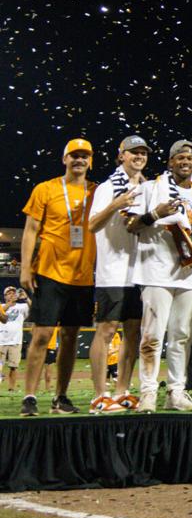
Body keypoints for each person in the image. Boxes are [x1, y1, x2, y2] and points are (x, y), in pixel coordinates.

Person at [18, 138, 98, 416]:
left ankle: (60, 397)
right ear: (64, 159)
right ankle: (29, 396)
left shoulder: (97, 192)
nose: (79, 160)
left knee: (70, 337)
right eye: (74, 155)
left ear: (90, 161)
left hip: (83, 276)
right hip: (50, 272)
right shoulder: (46, 189)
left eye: (84, 156)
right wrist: (25, 267)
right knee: (41, 335)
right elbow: (30, 230)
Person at [128, 140, 192, 412]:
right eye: (179, 158)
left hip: (186, 274)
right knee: (152, 336)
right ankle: (148, 392)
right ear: (170, 162)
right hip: (155, 272)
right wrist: (154, 214)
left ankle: (176, 391)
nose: (185, 162)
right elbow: (132, 226)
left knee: (181, 336)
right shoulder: (150, 188)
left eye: (189, 158)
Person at [86, 135, 150, 413]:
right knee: (106, 330)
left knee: (133, 332)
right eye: (133, 152)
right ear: (120, 155)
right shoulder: (108, 186)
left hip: (140, 271)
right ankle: (100, 395)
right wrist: (116, 203)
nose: (138, 156)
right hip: (112, 271)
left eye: (143, 153)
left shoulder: (149, 188)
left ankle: (122, 390)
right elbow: (91, 225)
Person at [0, 287, 30, 392]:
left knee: (14, 366)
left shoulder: (22, 307)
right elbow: (2, 311)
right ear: (5, 296)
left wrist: (26, 298)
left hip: (16, 341)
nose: (12, 294)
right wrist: (10, 303)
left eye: (13, 292)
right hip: (1, 341)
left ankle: (11, 389)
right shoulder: (2, 306)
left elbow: (34, 308)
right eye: (8, 293)